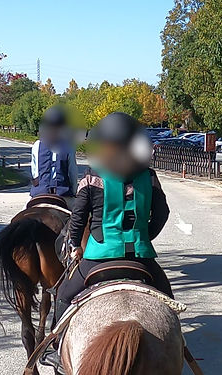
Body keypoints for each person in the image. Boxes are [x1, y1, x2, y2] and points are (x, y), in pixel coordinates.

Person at [55, 111, 173, 322]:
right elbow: (162, 214)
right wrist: (144, 238)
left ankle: (54, 344)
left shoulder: (93, 175)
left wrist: (76, 245)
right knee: (168, 300)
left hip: (98, 256)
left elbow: (78, 217)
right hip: (140, 257)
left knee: (63, 296)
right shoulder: (149, 176)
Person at [30, 105, 78, 208]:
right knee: (79, 220)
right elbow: (72, 173)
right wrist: (74, 192)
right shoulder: (69, 146)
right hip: (63, 194)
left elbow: (35, 173)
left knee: (23, 218)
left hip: (40, 193)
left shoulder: (37, 145)